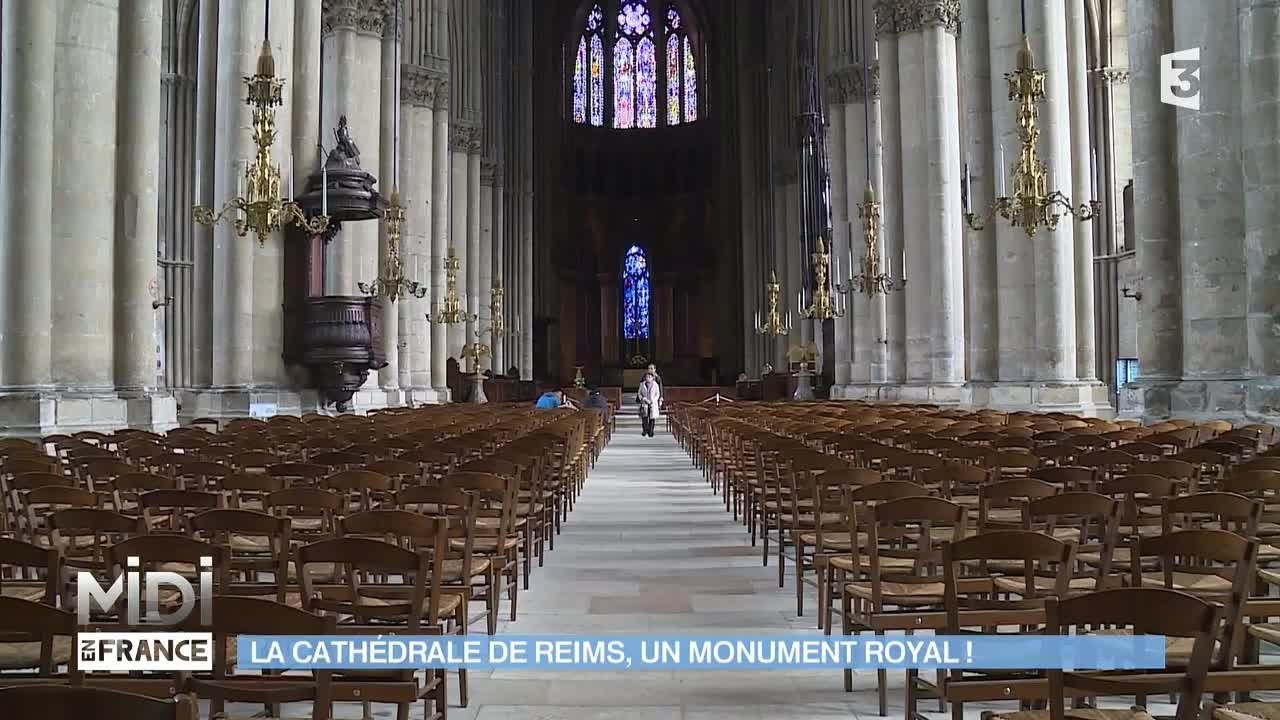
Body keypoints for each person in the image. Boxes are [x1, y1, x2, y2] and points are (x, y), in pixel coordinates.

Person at [637, 371, 662, 437]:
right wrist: (643, 398)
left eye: (650, 377)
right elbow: (639, 393)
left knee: (652, 418)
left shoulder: (655, 384)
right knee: (644, 418)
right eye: (647, 377)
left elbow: (657, 394)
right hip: (644, 403)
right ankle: (645, 430)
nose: (648, 378)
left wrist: (653, 400)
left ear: (652, 378)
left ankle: (651, 431)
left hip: (652, 403)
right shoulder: (642, 384)